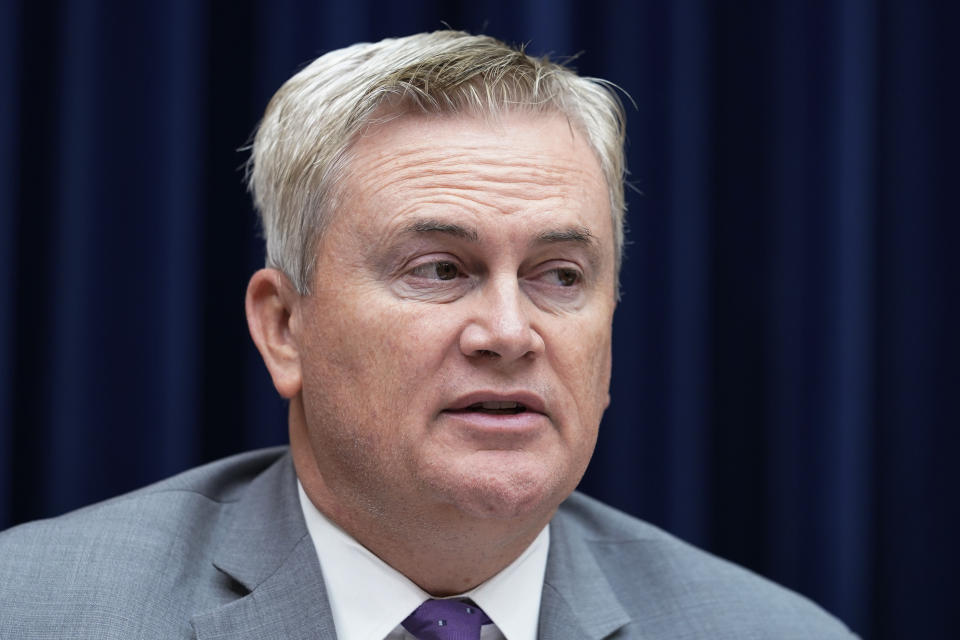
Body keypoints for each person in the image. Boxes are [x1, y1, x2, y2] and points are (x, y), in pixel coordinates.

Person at [0, 31, 857, 639]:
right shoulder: (33, 611)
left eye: (560, 276)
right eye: (439, 269)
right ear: (285, 328)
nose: (509, 332)